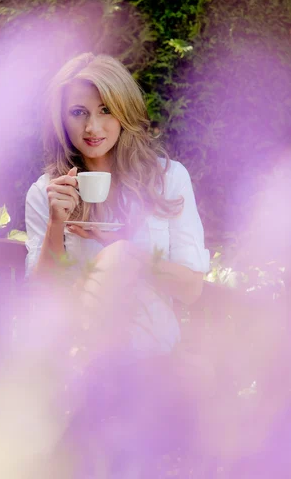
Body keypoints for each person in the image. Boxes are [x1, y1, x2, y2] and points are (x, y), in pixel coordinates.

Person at [25, 53, 210, 357]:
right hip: (69, 355)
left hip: (152, 356)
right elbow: (43, 296)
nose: (92, 127)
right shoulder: (47, 192)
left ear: (124, 111)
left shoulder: (168, 179)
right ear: (60, 120)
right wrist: (55, 225)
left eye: (105, 110)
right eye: (78, 112)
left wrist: (129, 254)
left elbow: (191, 289)